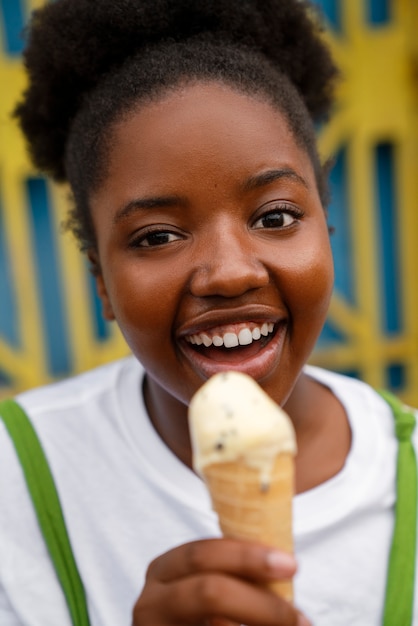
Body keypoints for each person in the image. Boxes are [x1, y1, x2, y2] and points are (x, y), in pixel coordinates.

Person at [0, 0, 416, 624]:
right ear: (102, 284)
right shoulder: (17, 477)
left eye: (275, 217)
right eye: (156, 236)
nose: (229, 273)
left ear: (326, 232)